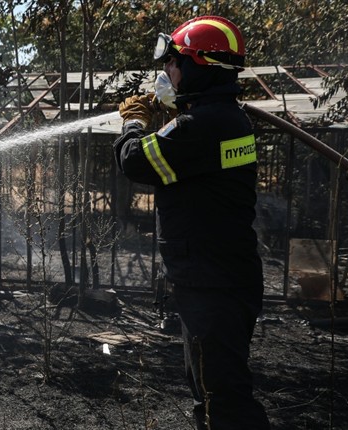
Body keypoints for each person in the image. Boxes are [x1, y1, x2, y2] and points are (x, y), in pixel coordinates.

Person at [112, 16, 271, 429]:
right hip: (218, 278)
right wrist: (173, 109)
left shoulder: (204, 125)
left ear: (201, 66)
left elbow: (135, 161)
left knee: (226, 403)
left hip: (212, 285)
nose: (168, 71)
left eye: (175, 63)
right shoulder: (223, 119)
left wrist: (133, 122)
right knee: (212, 395)